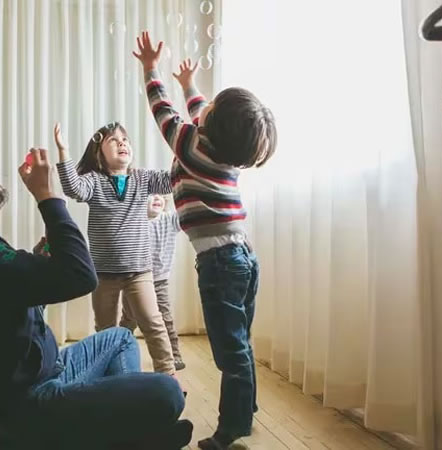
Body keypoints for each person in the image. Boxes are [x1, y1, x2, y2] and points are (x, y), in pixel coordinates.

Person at [0, 140, 192, 450]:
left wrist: (42, 255)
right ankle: (124, 430)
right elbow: (81, 276)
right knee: (167, 393)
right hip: (19, 413)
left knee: (119, 338)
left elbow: (12, 291)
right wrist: (46, 195)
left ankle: (122, 429)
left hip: (43, 374)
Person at [133, 31, 278, 450]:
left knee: (228, 353)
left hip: (221, 263)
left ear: (211, 126)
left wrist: (151, 70)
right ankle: (245, 408)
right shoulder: (220, 150)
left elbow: (164, 113)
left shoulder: (192, 147)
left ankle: (230, 429)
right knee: (240, 343)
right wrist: (190, 86)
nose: (202, 108)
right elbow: (200, 111)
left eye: (209, 109)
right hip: (241, 257)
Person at [54, 122, 177, 376]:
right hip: (103, 274)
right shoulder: (94, 181)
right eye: (113, 140)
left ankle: (169, 375)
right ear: (99, 154)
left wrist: (183, 151)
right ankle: (110, 377)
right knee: (106, 330)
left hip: (139, 271)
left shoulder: (142, 178)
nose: (122, 143)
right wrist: (63, 152)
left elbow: (171, 181)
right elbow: (73, 188)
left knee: (153, 324)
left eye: (125, 139)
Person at [120, 194, 185, 370]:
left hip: (159, 280)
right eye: (150, 195)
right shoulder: (134, 221)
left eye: (160, 195)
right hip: (135, 280)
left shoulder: (170, 219)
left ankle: (174, 355)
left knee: (165, 317)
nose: (157, 198)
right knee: (129, 318)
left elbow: (185, 212)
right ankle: (117, 351)